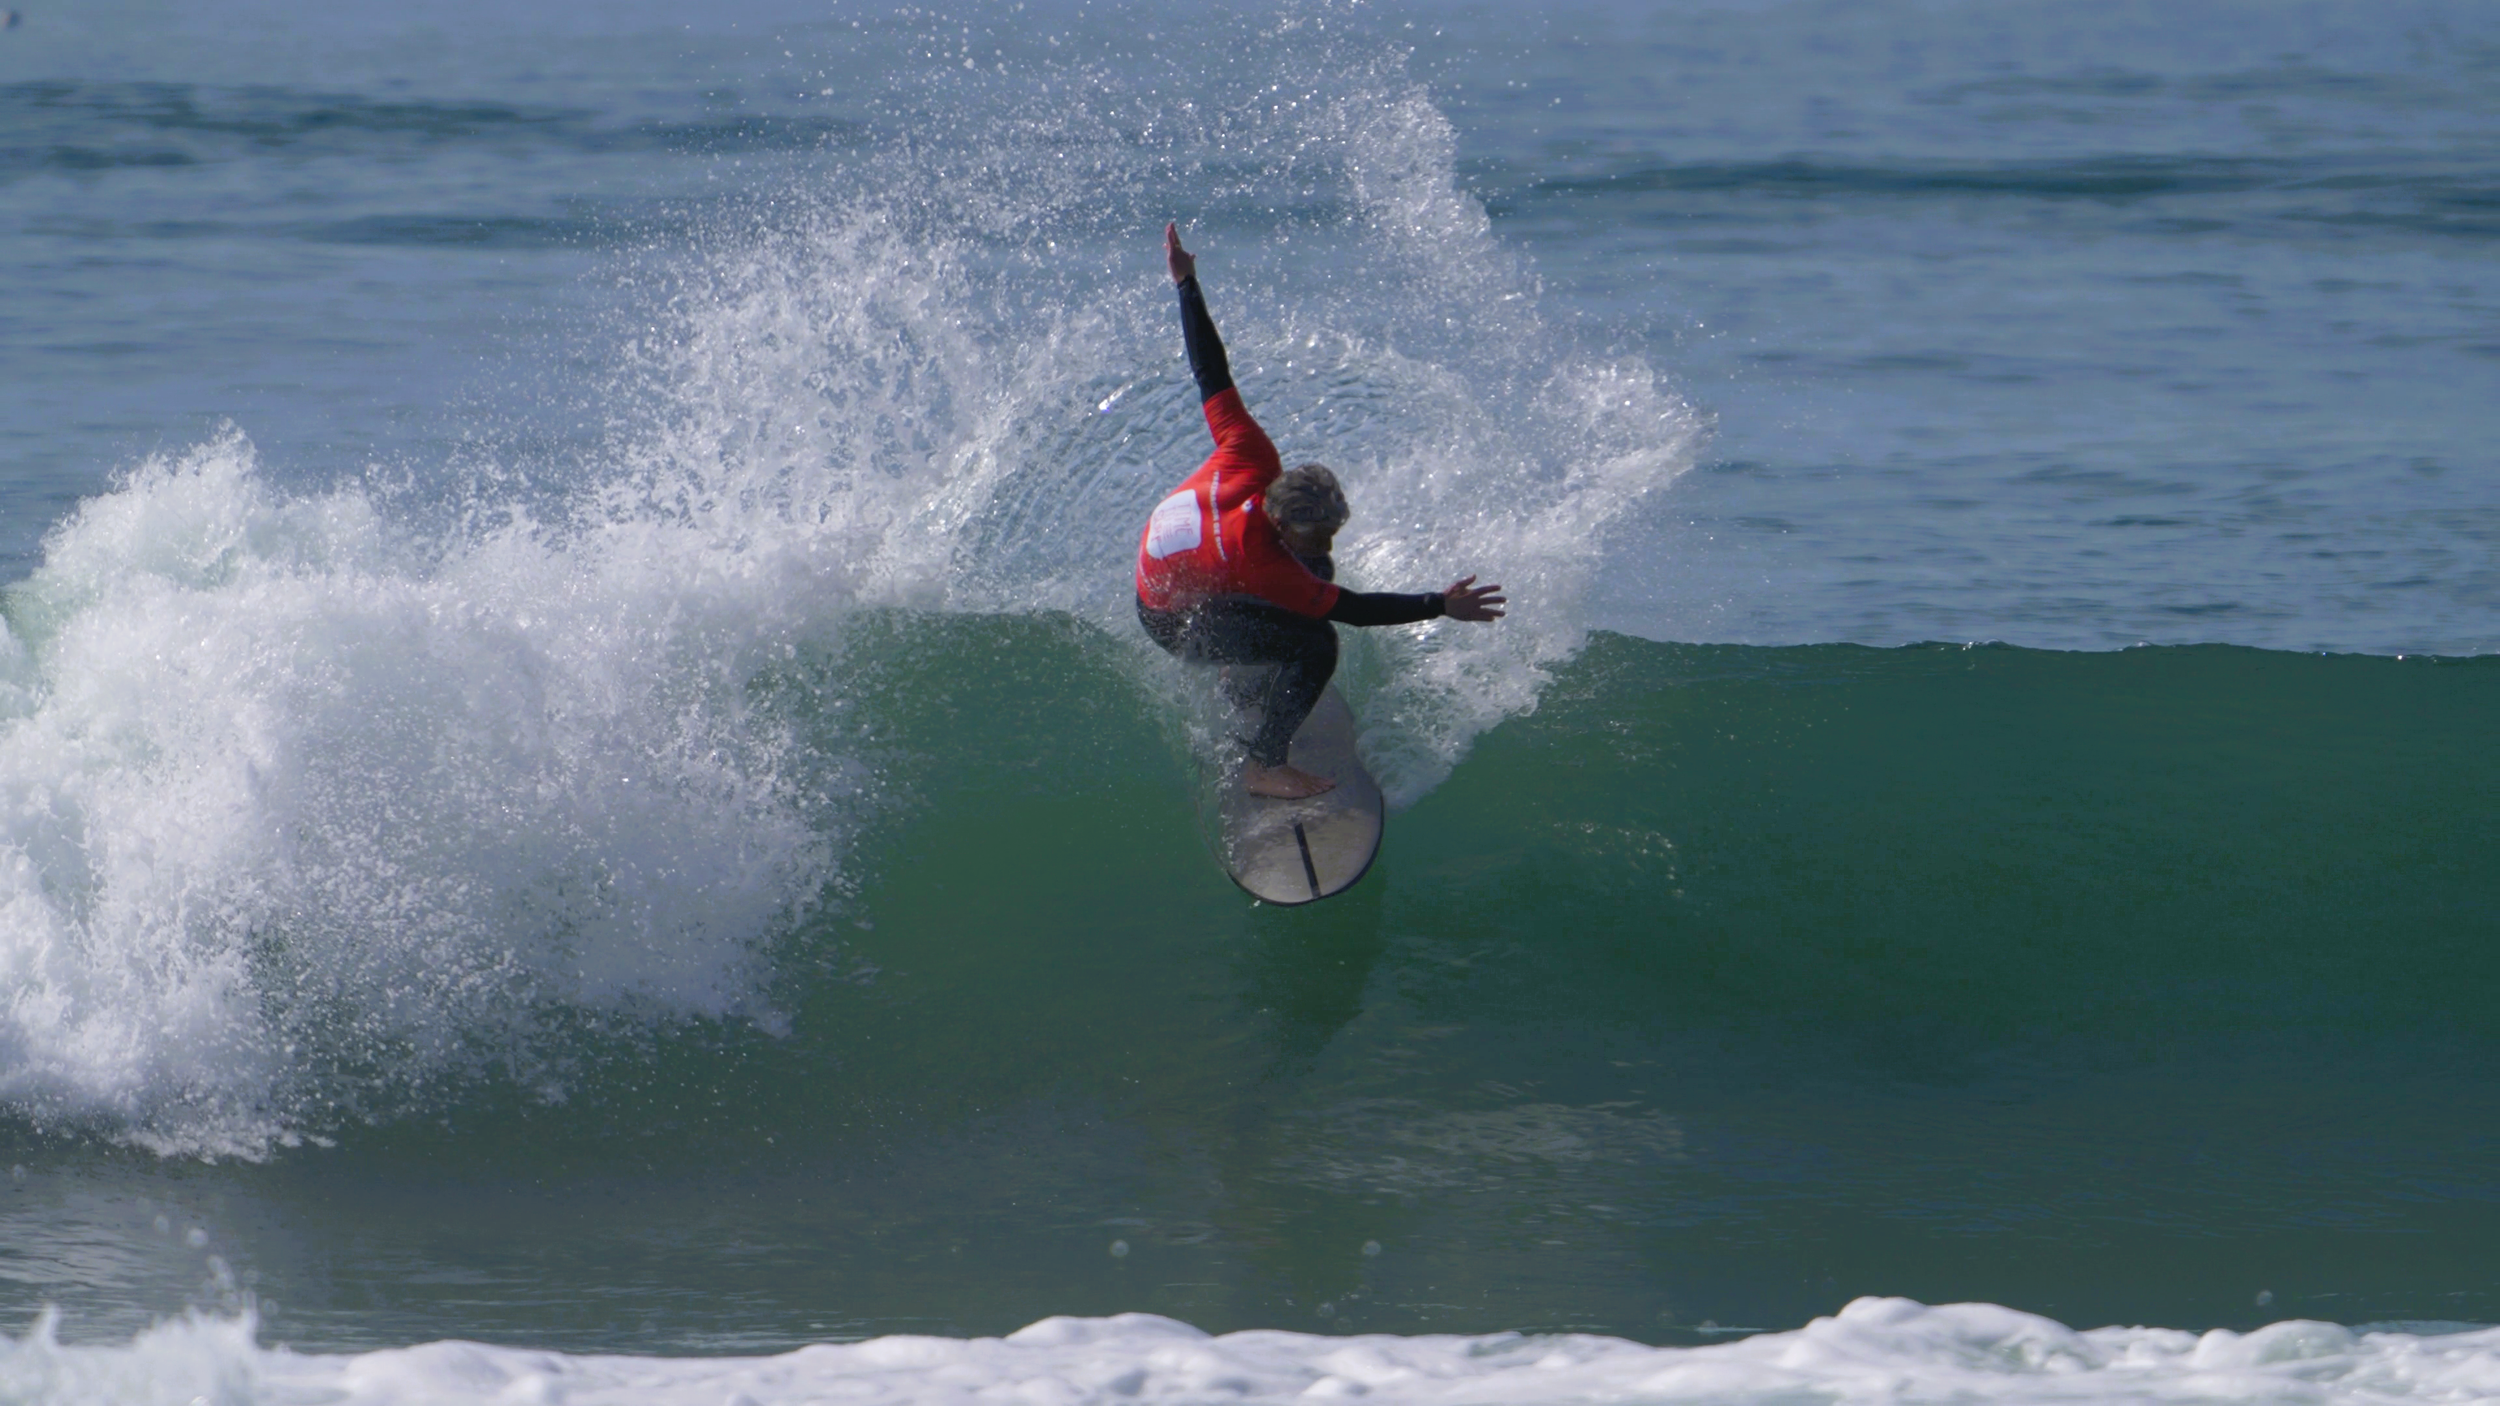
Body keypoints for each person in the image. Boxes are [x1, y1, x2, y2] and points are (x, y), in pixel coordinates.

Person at [1135, 224, 1506, 799]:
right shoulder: (1263, 562)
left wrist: (1186, 284)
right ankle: (1265, 763)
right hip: (1170, 619)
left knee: (1317, 580)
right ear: (1280, 524)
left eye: (1331, 530)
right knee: (1316, 643)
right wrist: (1441, 605)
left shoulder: (1248, 451)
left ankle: (1245, 665)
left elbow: (1210, 372)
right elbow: (1354, 611)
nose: (1327, 544)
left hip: (1192, 574)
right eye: (1317, 535)